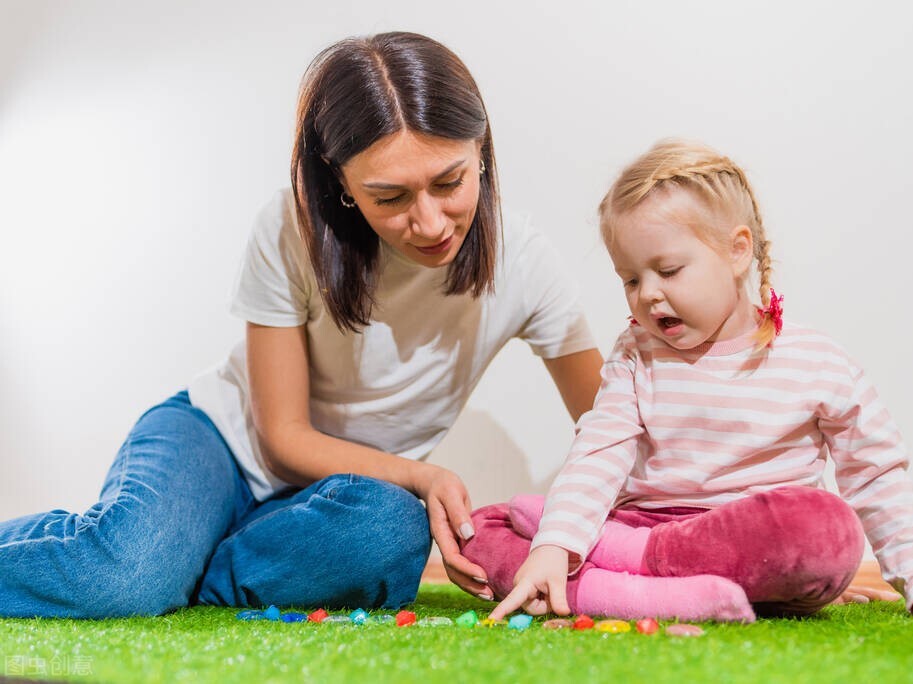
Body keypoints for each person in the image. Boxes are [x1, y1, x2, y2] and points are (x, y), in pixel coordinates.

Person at [0, 32, 603, 619]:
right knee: (124, 578)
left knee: (390, 530)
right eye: (389, 198)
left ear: (482, 153)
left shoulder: (524, 264)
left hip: (327, 498)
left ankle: (179, 560)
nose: (429, 222)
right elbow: (281, 437)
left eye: (450, 182)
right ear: (341, 182)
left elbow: (607, 428)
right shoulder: (292, 228)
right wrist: (422, 474)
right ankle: (154, 557)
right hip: (217, 442)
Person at [466, 139, 913, 624]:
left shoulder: (816, 360)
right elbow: (599, 450)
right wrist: (556, 544)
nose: (647, 295)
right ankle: (658, 590)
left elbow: (875, 475)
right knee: (483, 529)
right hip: (642, 526)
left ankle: (618, 581)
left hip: (745, 537)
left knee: (823, 530)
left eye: (668, 270)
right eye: (630, 279)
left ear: (737, 250)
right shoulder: (637, 353)